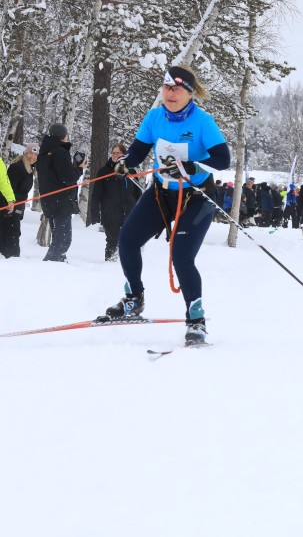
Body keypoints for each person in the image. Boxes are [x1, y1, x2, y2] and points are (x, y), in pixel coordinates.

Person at [98, 66, 230, 346]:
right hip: (161, 193)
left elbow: (223, 159)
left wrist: (195, 164)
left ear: (189, 93)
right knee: (128, 239)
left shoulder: (203, 122)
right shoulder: (155, 116)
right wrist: (125, 163)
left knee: (182, 256)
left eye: (176, 89)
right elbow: (138, 150)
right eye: (166, 88)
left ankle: (196, 320)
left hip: (196, 196)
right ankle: (134, 299)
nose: (170, 94)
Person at [35, 123, 86, 262]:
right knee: (63, 238)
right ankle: (52, 262)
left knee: (59, 235)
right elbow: (67, 177)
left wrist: (72, 167)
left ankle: (60, 260)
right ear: (63, 136)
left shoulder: (43, 153)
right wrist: (79, 169)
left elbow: (54, 175)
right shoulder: (60, 152)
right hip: (61, 201)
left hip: (49, 200)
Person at [89, 144, 141, 261]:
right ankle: (110, 263)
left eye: (118, 153)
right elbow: (96, 195)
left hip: (129, 213)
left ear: (124, 155)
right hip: (111, 214)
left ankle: (126, 265)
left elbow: (138, 194)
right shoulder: (104, 171)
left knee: (127, 241)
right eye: (113, 153)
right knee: (113, 241)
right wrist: (95, 215)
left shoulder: (131, 171)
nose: (115, 155)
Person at [0, 144, 37, 257]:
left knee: (13, 233)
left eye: (35, 154)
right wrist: (10, 205)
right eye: (30, 153)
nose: (32, 156)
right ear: (25, 154)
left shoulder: (29, 169)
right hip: (9, 207)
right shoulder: (17, 167)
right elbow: (7, 186)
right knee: (11, 233)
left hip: (17, 207)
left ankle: (10, 257)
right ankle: (11, 258)